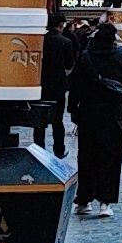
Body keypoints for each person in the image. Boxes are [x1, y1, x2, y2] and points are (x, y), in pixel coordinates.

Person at [68, 21, 122, 216]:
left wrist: (73, 111)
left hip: (89, 114)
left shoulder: (86, 57)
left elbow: (75, 86)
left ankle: (84, 199)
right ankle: (105, 201)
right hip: (113, 116)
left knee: (87, 158)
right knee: (110, 159)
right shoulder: (121, 57)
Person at [41, 13, 75, 162]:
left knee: (40, 120)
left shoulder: (41, 41)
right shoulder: (66, 42)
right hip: (58, 86)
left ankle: (39, 149)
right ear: (61, 25)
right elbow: (69, 66)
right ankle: (59, 150)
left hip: (41, 86)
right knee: (57, 120)